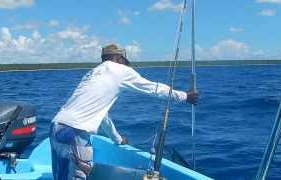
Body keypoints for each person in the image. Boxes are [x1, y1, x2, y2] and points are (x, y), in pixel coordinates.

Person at [49, 44, 198, 180]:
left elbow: (102, 116)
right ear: (119, 59)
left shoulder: (94, 73)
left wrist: (117, 139)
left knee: (61, 176)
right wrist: (185, 96)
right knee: (79, 176)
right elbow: (154, 88)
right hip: (74, 132)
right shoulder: (121, 70)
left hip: (56, 127)